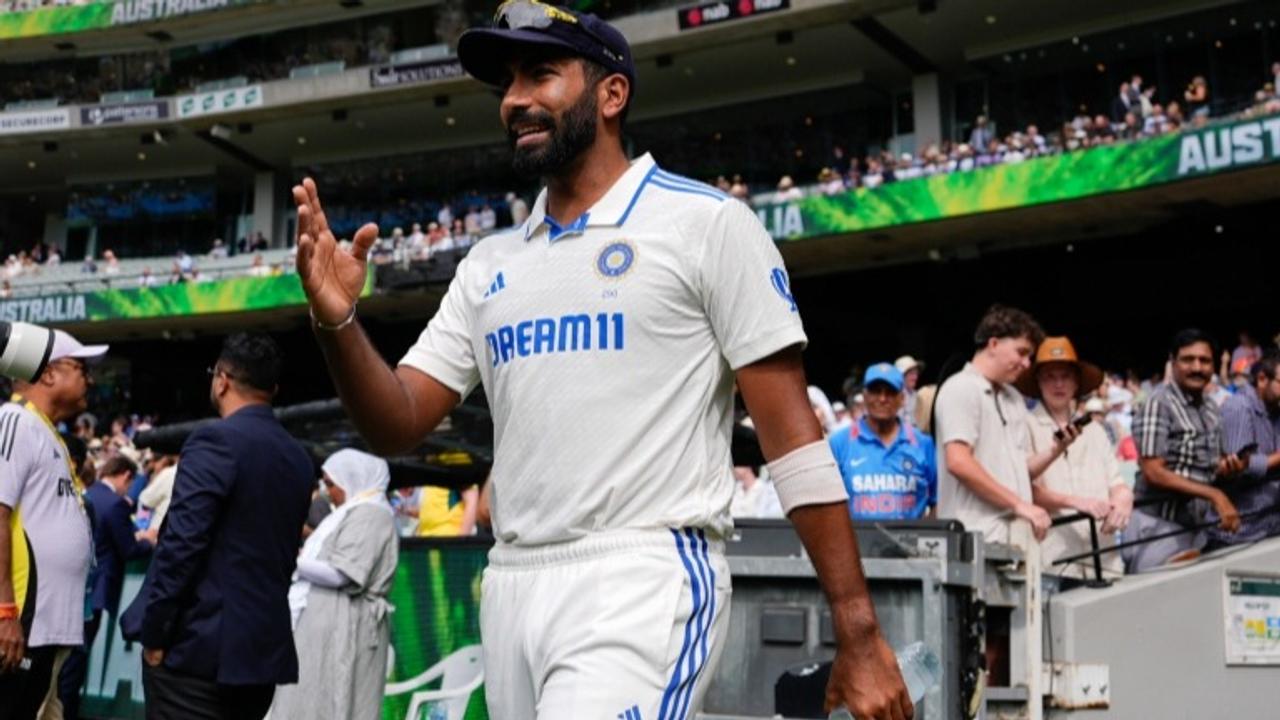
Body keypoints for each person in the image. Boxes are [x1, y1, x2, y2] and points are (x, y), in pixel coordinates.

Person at [290, 3, 912, 718]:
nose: (516, 99)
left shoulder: (705, 224)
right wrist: (336, 320)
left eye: (542, 74)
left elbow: (792, 440)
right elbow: (397, 423)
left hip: (642, 578)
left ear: (612, 94)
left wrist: (857, 631)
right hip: (512, 582)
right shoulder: (491, 261)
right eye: (508, 83)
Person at [121, 334, 314, 720]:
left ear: (222, 380)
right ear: (272, 389)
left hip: (198, 653)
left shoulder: (215, 440)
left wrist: (155, 635)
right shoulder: (298, 457)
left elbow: (181, 545)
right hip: (260, 656)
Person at [0, 331, 106, 720]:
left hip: (44, 626)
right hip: (22, 623)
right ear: (47, 374)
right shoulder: (14, 422)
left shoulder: (45, 431)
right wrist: (4, 611)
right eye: (80, 368)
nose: (89, 379)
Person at [272, 449, 398, 720]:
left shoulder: (372, 515)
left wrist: (289, 562)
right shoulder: (352, 511)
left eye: (331, 483)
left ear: (353, 479)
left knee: (335, 700)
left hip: (347, 625)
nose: (327, 491)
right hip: (328, 624)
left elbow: (343, 573)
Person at [1125, 329, 1246, 570]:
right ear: (1173, 363)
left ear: (1213, 365)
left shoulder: (1211, 409)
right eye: (1188, 359)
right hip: (1157, 527)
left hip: (1194, 527)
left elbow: (1207, 467)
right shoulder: (1159, 403)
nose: (1197, 367)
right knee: (1154, 603)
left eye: (1204, 360)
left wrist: (1227, 468)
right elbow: (1153, 472)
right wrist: (1215, 495)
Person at [1014, 338, 1133, 579]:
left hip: (1103, 555)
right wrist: (1077, 502)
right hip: (1055, 558)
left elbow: (1117, 482)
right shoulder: (1024, 426)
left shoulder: (1095, 430)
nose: (1058, 384)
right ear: (1038, 382)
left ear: (1077, 382)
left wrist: (1123, 499)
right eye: (1049, 376)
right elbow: (1022, 487)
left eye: (1065, 376)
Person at [935, 305, 1050, 545]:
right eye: (1021, 352)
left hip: (1017, 536)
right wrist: (1018, 504)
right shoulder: (961, 387)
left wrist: (1058, 448)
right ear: (994, 344)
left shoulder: (1014, 397)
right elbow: (958, 461)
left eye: (1029, 356)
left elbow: (1022, 469)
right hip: (974, 539)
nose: (1027, 363)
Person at [59, 455, 155, 720]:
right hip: (97, 592)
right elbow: (129, 548)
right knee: (75, 664)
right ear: (125, 476)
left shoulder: (86, 495)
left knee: (64, 663)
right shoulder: (115, 505)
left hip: (73, 588)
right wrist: (149, 541)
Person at [829, 363, 936, 520]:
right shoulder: (840, 443)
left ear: (902, 398)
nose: (882, 398)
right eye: (875, 391)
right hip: (856, 543)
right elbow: (826, 505)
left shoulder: (923, 444)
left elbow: (939, 501)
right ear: (864, 396)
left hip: (907, 543)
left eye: (890, 392)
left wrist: (924, 535)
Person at [1216, 354, 1280, 544]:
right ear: (1262, 379)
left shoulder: (1274, 407)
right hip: (1243, 530)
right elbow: (1240, 467)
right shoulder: (1239, 407)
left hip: (1271, 522)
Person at [894, 355, 924, 427]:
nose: (915, 377)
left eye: (916, 373)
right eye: (911, 374)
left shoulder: (916, 395)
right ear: (901, 376)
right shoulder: (894, 396)